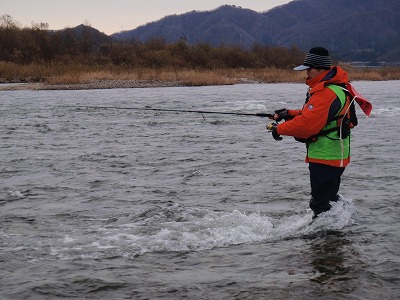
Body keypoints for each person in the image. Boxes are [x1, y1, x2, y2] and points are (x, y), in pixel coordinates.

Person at [267, 47, 357, 219]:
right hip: (334, 155)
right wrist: (290, 113)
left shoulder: (326, 93)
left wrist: (278, 129)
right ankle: (340, 227)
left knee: (320, 204)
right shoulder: (336, 88)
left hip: (325, 156)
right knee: (330, 198)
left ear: (321, 69)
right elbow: (315, 116)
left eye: (309, 69)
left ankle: (323, 239)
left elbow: (307, 125)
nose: (306, 74)